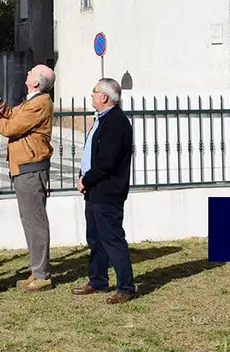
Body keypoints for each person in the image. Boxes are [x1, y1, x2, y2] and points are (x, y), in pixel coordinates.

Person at [0, 64, 56, 292]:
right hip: (25, 167)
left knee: (35, 223)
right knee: (30, 221)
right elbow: (15, 114)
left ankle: (42, 275)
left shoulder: (40, 103)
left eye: (31, 72)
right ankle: (37, 271)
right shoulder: (32, 100)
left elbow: (12, 127)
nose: (26, 73)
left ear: (36, 81)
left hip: (30, 168)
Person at [73, 78, 136, 304]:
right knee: (96, 238)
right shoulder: (102, 120)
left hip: (108, 191)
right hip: (94, 190)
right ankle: (98, 279)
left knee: (112, 239)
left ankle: (126, 286)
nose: (92, 95)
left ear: (105, 97)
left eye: (94, 92)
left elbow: (106, 162)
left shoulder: (116, 122)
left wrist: (86, 179)